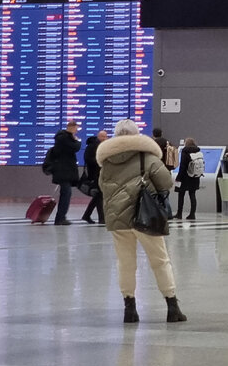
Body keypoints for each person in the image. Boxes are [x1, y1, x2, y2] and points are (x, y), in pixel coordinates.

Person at [97, 118, 186, 324]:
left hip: (117, 219)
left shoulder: (107, 162)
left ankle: (130, 308)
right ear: (137, 134)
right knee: (160, 260)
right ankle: (172, 307)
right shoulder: (147, 158)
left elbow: (103, 186)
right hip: (145, 215)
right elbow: (165, 181)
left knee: (125, 263)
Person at [50, 120, 82, 225]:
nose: (77, 130)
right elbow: (75, 147)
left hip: (64, 171)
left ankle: (61, 217)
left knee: (66, 193)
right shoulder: (64, 138)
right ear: (72, 127)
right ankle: (60, 218)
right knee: (66, 193)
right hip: (63, 171)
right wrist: (77, 140)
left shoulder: (62, 137)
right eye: (76, 128)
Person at [80, 130, 108, 224]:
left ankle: (87, 215)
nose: (104, 138)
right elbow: (88, 159)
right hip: (95, 174)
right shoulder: (92, 146)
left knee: (98, 195)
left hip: (100, 174)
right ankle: (101, 218)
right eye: (102, 137)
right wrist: (100, 161)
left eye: (105, 137)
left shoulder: (101, 147)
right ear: (98, 137)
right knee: (99, 195)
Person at [174, 137, 203, 221]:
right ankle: (192, 214)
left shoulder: (185, 151)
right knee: (192, 195)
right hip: (195, 176)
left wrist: (179, 177)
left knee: (181, 195)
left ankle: (179, 214)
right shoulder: (198, 151)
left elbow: (183, 166)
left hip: (185, 176)